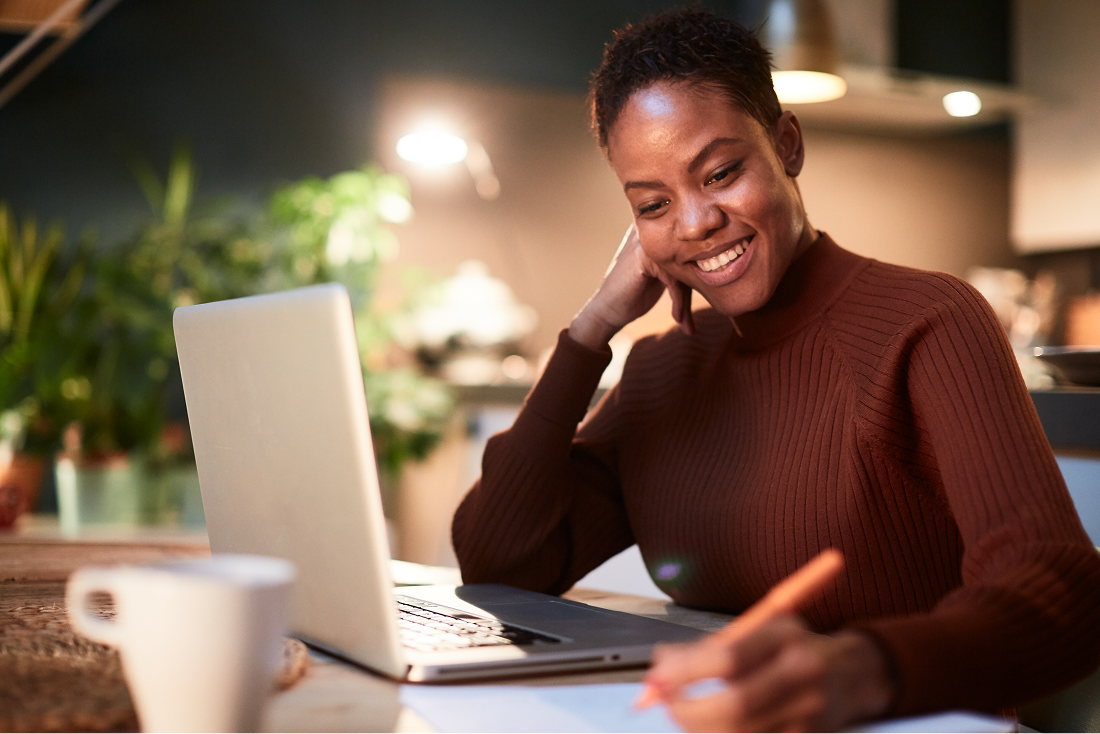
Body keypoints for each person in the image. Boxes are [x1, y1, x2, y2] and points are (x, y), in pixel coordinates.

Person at [451, 8, 1100, 731]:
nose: (695, 222)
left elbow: (1063, 589)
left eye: (721, 173)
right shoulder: (664, 370)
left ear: (786, 145)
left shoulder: (929, 322)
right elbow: (498, 562)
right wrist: (590, 330)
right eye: (653, 204)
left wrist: (859, 669)